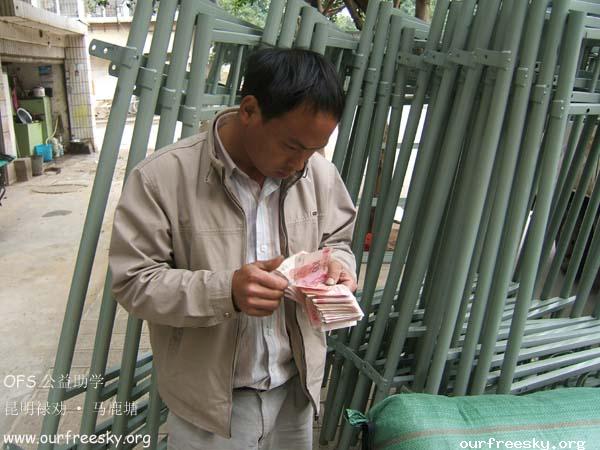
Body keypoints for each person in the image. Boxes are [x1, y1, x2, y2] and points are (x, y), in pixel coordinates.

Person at [108, 48, 357, 450]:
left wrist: (339, 267)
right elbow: (134, 283)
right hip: (210, 410)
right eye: (292, 146)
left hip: (296, 392)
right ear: (249, 110)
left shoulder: (320, 175)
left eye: (314, 150)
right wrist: (226, 292)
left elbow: (338, 241)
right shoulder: (161, 178)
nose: (300, 164)